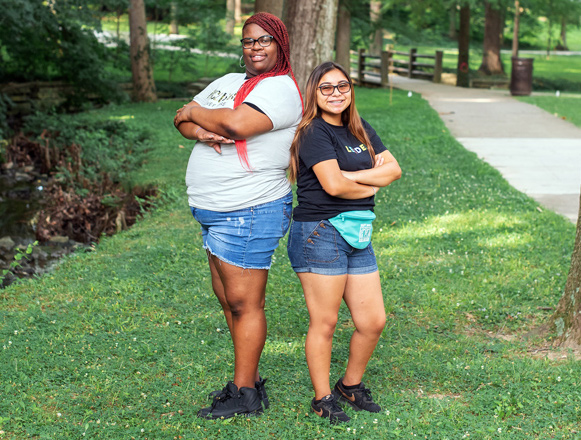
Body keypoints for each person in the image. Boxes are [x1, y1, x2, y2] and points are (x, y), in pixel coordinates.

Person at [173, 12, 302, 419]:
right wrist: (197, 127)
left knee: (245, 303)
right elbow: (179, 116)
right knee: (229, 300)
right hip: (215, 212)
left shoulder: (281, 88)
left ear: (280, 44)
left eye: (264, 40)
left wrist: (202, 114)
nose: (255, 47)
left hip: (249, 209)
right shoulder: (228, 82)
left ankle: (244, 394)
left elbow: (237, 124)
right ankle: (250, 379)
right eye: (248, 41)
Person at [287, 61, 401, 424]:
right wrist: (372, 182)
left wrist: (352, 176)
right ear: (314, 94)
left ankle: (349, 385)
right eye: (326, 88)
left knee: (373, 321)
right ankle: (322, 398)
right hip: (321, 232)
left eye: (342, 86)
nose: (336, 93)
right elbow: (332, 186)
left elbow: (394, 169)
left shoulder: (359, 128)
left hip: (358, 231)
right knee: (325, 321)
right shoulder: (313, 132)